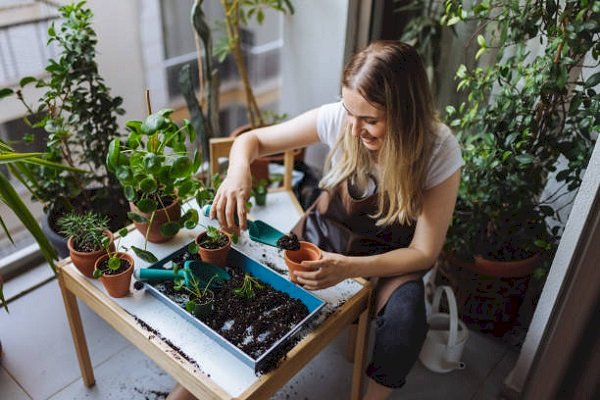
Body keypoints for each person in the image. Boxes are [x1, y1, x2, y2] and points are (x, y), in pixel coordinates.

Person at [207, 40, 463, 399]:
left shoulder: (439, 150)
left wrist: (348, 267)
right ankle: (201, 384)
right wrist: (237, 172)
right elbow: (251, 141)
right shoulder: (341, 119)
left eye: (370, 120)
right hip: (323, 236)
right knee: (249, 293)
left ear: (406, 113)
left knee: (406, 323)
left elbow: (424, 252)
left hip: (390, 258)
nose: (354, 129)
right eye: (350, 112)